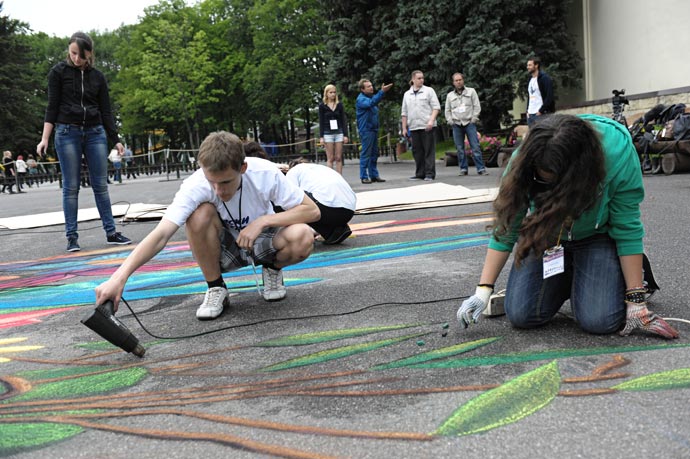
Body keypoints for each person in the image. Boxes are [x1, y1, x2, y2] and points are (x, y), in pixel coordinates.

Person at [456, 114, 679, 340]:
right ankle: (576, 277)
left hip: (597, 236)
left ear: (580, 173)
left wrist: (636, 302)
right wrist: (483, 290)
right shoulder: (526, 159)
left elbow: (627, 227)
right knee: (523, 315)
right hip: (549, 235)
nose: (548, 188)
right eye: (542, 181)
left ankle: (622, 275)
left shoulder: (618, 153)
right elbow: (507, 227)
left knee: (599, 321)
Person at [95, 131, 321, 321]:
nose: (218, 191)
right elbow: (162, 233)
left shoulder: (264, 172)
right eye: (211, 181)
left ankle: (272, 270)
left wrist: (263, 221)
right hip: (223, 248)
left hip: (261, 240)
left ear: (242, 168)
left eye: (225, 182)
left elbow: (312, 210)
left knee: (302, 235)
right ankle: (216, 287)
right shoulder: (195, 185)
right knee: (199, 215)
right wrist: (118, 278)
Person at [36, 32, 131, 252]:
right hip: (67, 131)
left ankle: (111, 232)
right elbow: (52, 106)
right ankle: (72, 237)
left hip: (95, 132)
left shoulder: (98, 77)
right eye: (73, 53)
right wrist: (45, 138)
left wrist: (114, 139)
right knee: (71, 187)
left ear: (90, 54)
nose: (77, 59)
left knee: (100, 185)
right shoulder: (57, 73)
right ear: (69, 49)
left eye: (82, 55)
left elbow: (106, 111)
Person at [286, 157, 356, 245]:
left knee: (291, 200)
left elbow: (289, 196)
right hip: (349, 211)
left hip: (327, 209)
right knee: (312, 199)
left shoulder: (293, 171)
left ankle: (301, 235)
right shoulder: (321, 168)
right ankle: (334, 231)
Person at [445, 72, 488, 176]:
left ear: (463, 80)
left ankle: (481, 169)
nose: (458, 82)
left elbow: (477, 106)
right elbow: (447, 110)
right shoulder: (450, 96)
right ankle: (463, 169)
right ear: (453, 82)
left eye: (460, 80)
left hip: (469, 123)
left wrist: (474, 119)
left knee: (475, 147)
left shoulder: (471, 91)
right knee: (460, 148)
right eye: (456, 80)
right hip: (456, 124)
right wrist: (450, 121)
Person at [401, 70, 440, 181]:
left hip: (427, 126)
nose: (421, 80)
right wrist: (404, 128)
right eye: (419, 78)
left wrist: (431, 121)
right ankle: (420, 173)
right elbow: (404, 113)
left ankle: (429, 173)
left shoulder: (428, 91)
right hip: (414, 126)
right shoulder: (407, 94)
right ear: (413, 79)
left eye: (422, 78)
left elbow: (436, 107)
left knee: (428, 150)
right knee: (417, 151)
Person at [355, 79, 393, 184]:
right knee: (366, 154)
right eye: (368, 86)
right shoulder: (361, 99)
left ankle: (374, 175)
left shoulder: (371, 98)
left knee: (374, 154)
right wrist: (382, 92)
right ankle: (363, 176)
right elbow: (371, 103)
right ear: (362, 89)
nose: (371, 87)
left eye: (371, 85)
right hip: (366, 130)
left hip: (373, 129)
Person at [318, 84, 349, 174]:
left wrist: (345, 135)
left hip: (339, 132)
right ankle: (331, 179)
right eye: (331, 92)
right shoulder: (322, 106)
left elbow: (343, 120)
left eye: (334, 92)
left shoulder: (339, 105)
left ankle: (340, 178)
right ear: (326, 93)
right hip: (327, 133)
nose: (333, 94)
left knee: (338, 157)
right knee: (330, 158)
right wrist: (321, 136)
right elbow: (321, 121)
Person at [526, 56, 555, 127]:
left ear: (536, 65)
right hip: (530, 115)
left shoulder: (544, 78)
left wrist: (541, 111)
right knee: (534, 137)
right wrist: (527, 111)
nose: (528, 67)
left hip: (541, 114)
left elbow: (549, 96)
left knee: (543, 136)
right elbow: (530, 96)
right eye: (527, 65)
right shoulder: (530, 80)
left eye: (530, 65)